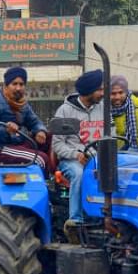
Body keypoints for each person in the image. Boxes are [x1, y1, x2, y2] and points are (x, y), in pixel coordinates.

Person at [53, 70, 107, 226]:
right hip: (71, 161)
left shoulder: (103, 109)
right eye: (99, 90)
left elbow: (110, 137)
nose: (102, 93)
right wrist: (76, 154)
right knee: (79, 174)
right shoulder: (65, 111)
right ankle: (75, 221)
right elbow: (57, 144)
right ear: (88, 91)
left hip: (97, 158)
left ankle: (109, 218)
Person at [0, 66, 48, 167]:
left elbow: (34, 121)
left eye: (21, 84)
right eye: (14, 84)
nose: (18, 88)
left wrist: (40, 131)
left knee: (51, 140)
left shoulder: (22, 103)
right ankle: (41, 182)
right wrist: (5, 130)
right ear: (6, 85)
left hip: (17, 143)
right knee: (40, 159)